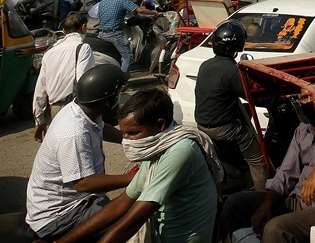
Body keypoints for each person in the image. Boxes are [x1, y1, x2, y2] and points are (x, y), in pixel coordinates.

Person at [55, 88, 220, 243]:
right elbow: (122, 203)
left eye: (133, 133)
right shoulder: (157, 146)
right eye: (124, 133)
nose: (126, 139)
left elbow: (134, 220)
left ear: (159, 125)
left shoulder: (181, 151)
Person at [219, 102, 315, 242]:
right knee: (234, 204)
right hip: (297, 199)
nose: (304, 102)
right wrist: (267, 201)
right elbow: (287, 172)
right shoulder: (303, 130)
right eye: (302, 98)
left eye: (308, 97)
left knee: (275, 229)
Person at [25, 64, 130, 241]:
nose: (120, 96)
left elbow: (102, 129)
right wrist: (135, 179)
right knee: (128, 223)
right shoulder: (74, 132)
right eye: (118, 92)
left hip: (78, 201)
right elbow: (84, 183)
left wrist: (133, 141)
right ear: (107, 100)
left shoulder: (84, 109)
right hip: (59, 214)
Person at [194, 22, 268, 191]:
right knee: (258, 159)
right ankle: (263, 198)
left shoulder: (206, 65)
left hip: (203, 125)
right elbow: (253, 96)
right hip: (225, 129)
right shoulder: (231, 70)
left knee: (244, 112)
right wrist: (273, 98)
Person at [34, 13, 96, 142]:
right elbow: (83, 80)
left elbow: (40, 88)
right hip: (75, 109)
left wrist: (39, 120)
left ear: (63, 31)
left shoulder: (50, 52)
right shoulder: (83, 48)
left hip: (55, 110)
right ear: (84, 27)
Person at [96, 0, 158, 73]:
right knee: (128, 56)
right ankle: (123, 80)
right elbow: (140, 10)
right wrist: (155, 13)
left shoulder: (103, 2)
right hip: (114, 34)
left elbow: (100, 18)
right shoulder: (124, 0)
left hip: (101, 33)